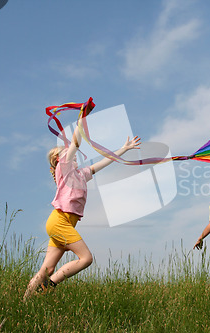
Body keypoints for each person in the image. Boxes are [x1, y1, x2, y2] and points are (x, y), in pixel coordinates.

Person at [24, 106, 141, 299]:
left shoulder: (80, 174)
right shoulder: (64, 169)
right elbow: (75, 144)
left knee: (48, 267)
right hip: (60, 221)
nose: (73, 154)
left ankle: (25, 300)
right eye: (66, 153)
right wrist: (82, 118)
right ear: (58, 160)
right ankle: (47, 287)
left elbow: (103, 163)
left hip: (62, 223)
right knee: (86, 258)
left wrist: (123, 149)